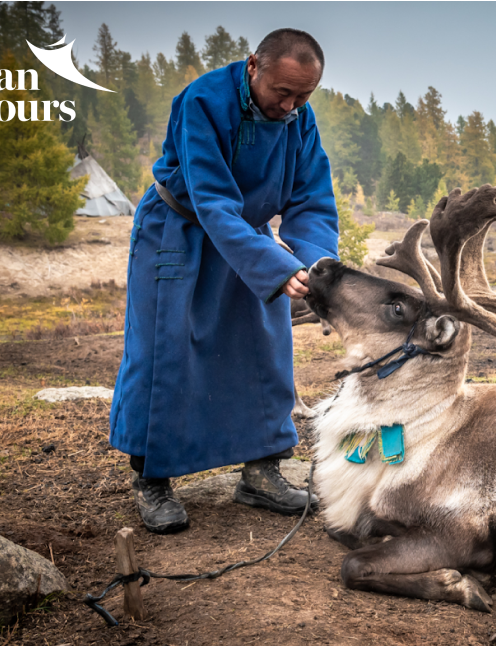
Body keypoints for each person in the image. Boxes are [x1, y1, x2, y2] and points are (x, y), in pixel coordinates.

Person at [109, 29, 337, 534]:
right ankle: (152, 480)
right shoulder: (202, 101)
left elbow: (311, 200)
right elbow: (211, 199)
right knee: (162, 349)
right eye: (283, 91)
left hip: (245, 238)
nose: (291, 105)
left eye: (304, 95)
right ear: (253, 65)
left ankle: (261, 471)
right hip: (178, 232)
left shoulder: (300, 117)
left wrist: (316, 266)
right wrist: (276, 266)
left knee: (264, 344)